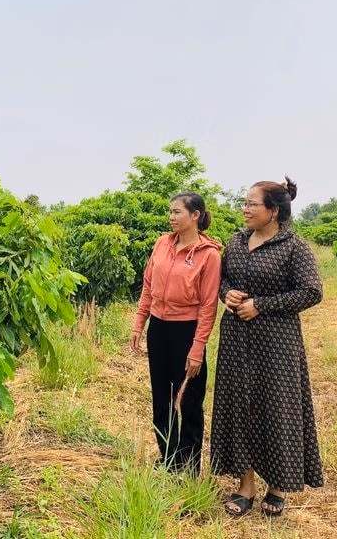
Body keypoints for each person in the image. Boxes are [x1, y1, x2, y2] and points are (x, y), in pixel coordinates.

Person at [210, 176, 323, 518]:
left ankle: (277, 486)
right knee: (240, 406)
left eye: (252, 204)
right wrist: (226, 294)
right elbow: (223, 279)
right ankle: (245, 486)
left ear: (273, 211)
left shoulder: (294, 246)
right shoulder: (236, 241)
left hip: (276, 342)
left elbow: (312, 292)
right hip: (236, 338)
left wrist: (262, 305)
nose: (245, 209)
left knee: (276, 407)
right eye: (244, 203)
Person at [129, 191, 222, 471]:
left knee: (189, 400)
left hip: (187, 331)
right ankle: (169, 460)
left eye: (177, 212)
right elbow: (148, 286)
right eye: (170, 212)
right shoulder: (162, 244)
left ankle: (189, 466)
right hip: (159, 329)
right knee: (162, 398)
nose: (171, 217)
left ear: (195, 215)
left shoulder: (209, 255)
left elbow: (208, 306)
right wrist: (139, 323)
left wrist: (197, 348)